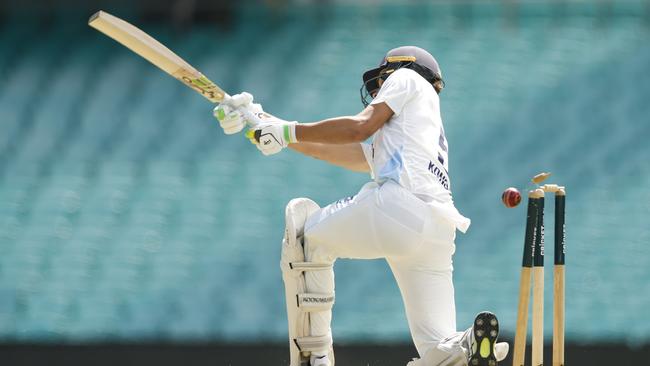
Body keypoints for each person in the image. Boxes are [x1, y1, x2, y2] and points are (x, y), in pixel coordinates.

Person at [213, 46, 509, 366]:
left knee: (304, 237)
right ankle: (465, 346)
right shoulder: (417, 127)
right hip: (437, 228)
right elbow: (349, 152)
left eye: (381, 82)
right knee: (437, 346)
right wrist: (261, 120)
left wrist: (287, 131)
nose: (379, 91)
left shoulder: (406, 77)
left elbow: (359, 127)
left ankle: (317, 354)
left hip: (399, 207)